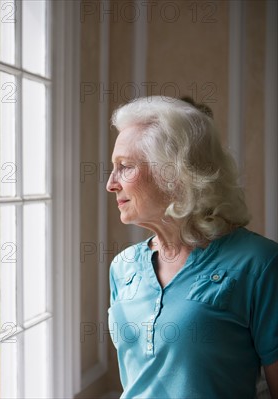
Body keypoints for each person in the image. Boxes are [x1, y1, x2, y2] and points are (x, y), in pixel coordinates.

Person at [106, 96, 278, 398]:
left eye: (125, 167)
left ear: (172, 174)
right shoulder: (123, 267)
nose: (111, 183)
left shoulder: (259, 264)